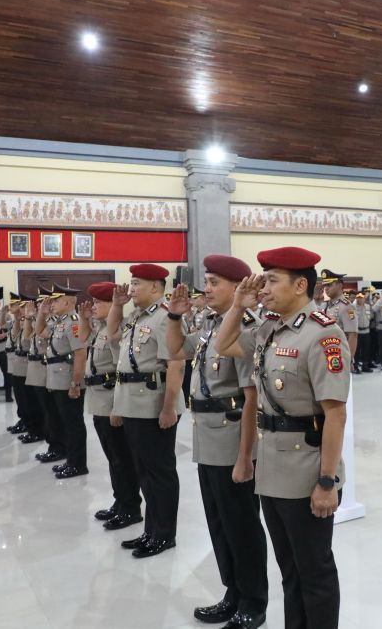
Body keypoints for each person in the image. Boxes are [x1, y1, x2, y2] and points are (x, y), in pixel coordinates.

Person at [214, 246, 349, 629]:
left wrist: (327, 481)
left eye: (273, 280)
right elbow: (223, 345)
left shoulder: (323, 335)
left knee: (315, 571)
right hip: (272, 466)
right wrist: (239, 305)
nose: (265, 288)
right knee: (289, 568)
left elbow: (336, 414)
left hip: (306, 469)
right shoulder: (269, 329)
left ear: (301, 284)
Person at [167, 255, 269, 629]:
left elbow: (252, 397)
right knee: (219, 522)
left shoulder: (245, 328)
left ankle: (254, 602)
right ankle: (233, 592)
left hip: (231, 437)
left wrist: (245, 457)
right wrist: (175, 317)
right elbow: (177, 350)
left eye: (214, 283)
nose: (205, 289)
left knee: (241, 523)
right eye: (206, 282)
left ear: (237, 287)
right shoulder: (211, 325)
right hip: (206, 435)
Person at [109, 264, 185, 559]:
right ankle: (151, 530)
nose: (131, 288)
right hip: (134, 405)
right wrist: (117, 305)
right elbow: (113, 334)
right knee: (144, 472)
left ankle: (164, 534)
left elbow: (176, 364)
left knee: (160, 472)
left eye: (137, 283)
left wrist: (169, 409)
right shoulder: (137, 316)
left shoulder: (166, 316)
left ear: (156, 286)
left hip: (154, 405)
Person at [79, 281, 142, 531]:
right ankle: (120, 502)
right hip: (98, 401)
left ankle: (130, 507)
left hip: (110, 401)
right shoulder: (100, 329)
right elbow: (82, 340)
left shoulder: (117, 332)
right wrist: (85, 319)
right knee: (113, 457)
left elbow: (120, 371)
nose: (94, 307)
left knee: (121, 459)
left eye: (99, 303)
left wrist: (117, 407)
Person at [36, 282, 88, 479]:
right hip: (56, 379)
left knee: (73, 423)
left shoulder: (74, 322)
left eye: (56, 300)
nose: (52, 304)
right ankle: (68, 457)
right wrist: (42, 312)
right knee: (61, 421)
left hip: (67, 380)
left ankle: (78, 464)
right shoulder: (59, 321)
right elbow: (39, 332)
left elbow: (81, 354)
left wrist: (75, 383)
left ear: (67, 302)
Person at [27, 288, 66, 464]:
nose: (44, 306)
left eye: (48, 302)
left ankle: (59, 447)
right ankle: (55, 446)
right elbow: (33, 333)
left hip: (53, 372)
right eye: (41, 303)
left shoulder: (60, 322)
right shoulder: (49, 321)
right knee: (50, 412)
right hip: (47, 372)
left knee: (55, 414)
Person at [13, 294, 44, 444]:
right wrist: (25, 318)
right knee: (26, 401)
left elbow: (35, 334)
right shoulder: (31, 320)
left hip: (42, 368)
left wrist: (33, 318)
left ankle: (38, 431)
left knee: (35, 404)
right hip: (30, 366)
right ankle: (32, 428)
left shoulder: (45, 321)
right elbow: (25, 336)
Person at [318, 269, 358, 372]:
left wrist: (348, 360)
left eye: (329, 285)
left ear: (339, 285)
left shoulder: (347, 307)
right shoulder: (325, 305)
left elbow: (352, 335)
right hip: (323, 354)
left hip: (339, 356)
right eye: (325, 286)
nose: (326, 288)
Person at [4, 293, 30, 431]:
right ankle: (23, 419)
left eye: (17, 305)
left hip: (24, 361)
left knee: (25, 395)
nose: (13, 307)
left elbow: (25, 337)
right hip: (14, 359)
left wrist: (21, 318)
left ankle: (28, 421)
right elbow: (13, 336)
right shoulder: (17, 319)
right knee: (19, 394)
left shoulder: (27, 320)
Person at [353, 293, 373, 373]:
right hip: (357, 332)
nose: (360, 299)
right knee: (357, 351)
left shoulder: (367, 306)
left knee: (366, 350)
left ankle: (365, 366)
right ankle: (355, 366)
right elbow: (351, 319)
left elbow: (371, 316)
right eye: (358, 298)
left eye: (361, 298)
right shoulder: (353, 307)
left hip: (366, 331)